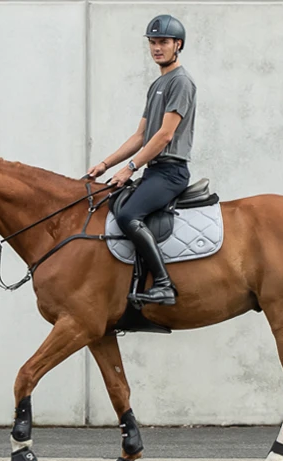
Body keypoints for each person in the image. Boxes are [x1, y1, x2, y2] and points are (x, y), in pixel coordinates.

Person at [85, 14, 197, 306]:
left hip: (171, 171)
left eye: (163, 42)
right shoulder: (157, 84)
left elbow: (163, 136)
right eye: (153, 42)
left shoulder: (181, 82)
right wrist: (105, 164)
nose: (157, 48)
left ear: (178, 45)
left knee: (127, 216)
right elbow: (141, 135)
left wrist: (130, 168)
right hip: (155, 170)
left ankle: (163, 284)